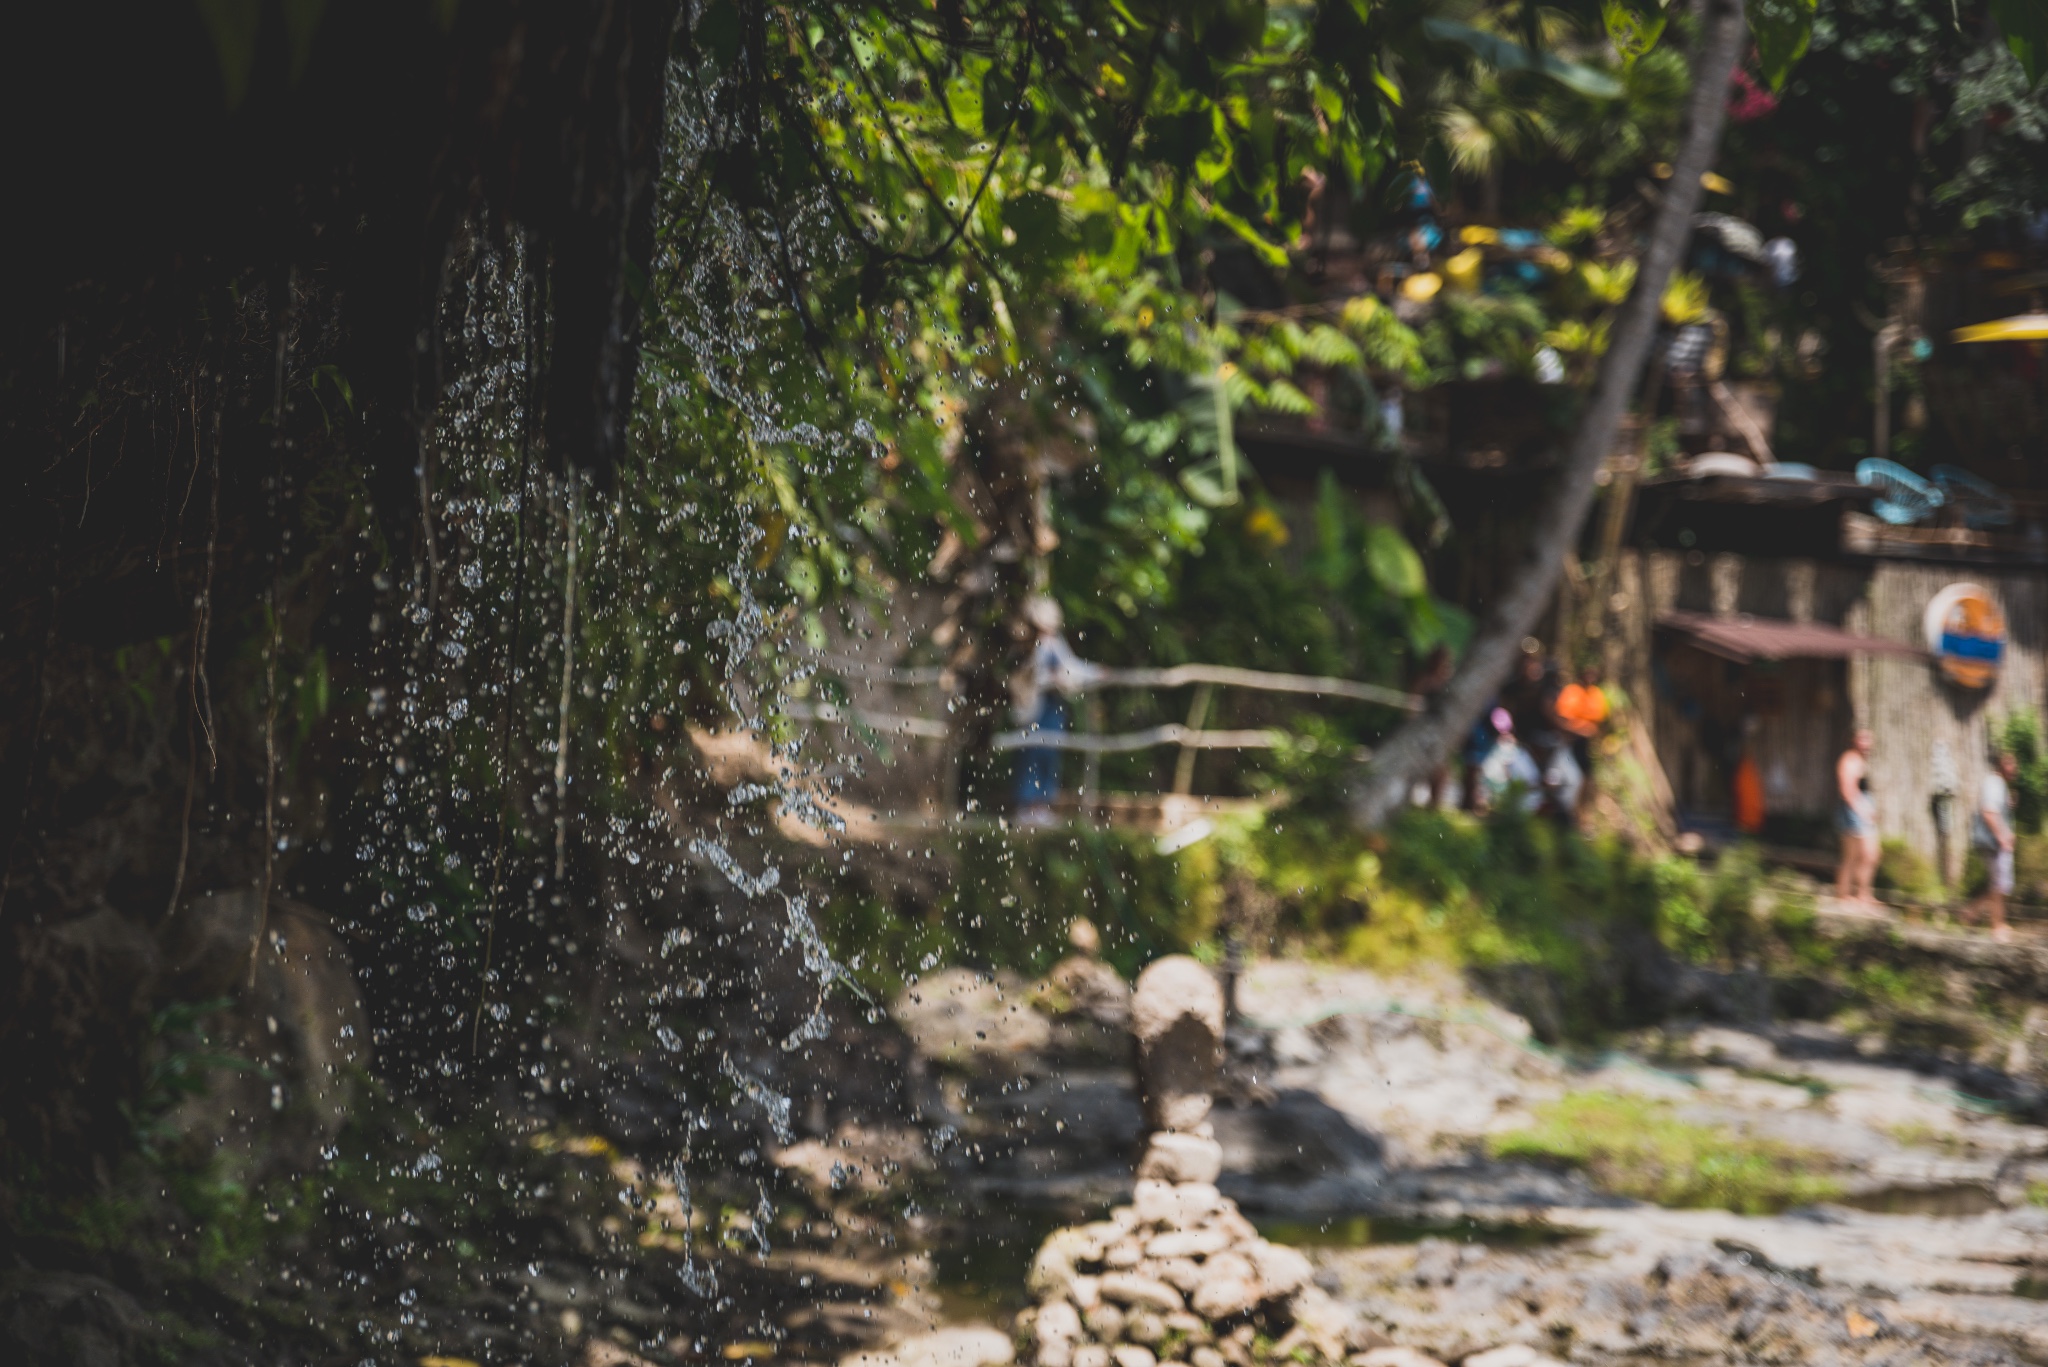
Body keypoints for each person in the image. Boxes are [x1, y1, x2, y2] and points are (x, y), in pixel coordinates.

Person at [1010, 596, 1100, 827]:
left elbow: (1071, 667)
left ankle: (1042, 804)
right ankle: (1027, 805)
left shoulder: (1055, 643)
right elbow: (1025, 675)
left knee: (1049, 754)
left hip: (1053, 707)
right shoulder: (1025, 643)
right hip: (1033, 708)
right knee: (1031, 754)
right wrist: (1052, 678)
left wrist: (1095, 672)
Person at [1968, 749, 2018, 943]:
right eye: (2009, 763)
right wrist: (2002, 838)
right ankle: (1997, 927)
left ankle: (1971, 912)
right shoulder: (1994, 783)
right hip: (1993, 843)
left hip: (1995, 842)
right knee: (1999, 885)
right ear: (1999, 765)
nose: (2014, 768)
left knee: (2000, 885)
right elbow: (1989, 813)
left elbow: (1997, 812)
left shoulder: (1999, 785)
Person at [1554, 664, 1611, 820]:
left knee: (1587, 777)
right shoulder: (1571, 692)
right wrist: (1580, 730)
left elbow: (1602, 721)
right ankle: (1565, 812)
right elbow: (1561, 720)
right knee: (1570, 777)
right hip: (1570, 742)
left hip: (1587, 745)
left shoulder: (1597, 695)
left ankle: (1581, 814)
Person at [1834, 728, 1879, 909]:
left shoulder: (1861, 761)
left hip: (1860, 810)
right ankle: (1846, 895)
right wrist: (1862, 811)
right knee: (1863, 854)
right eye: (1863, 739)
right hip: (1853, 812)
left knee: (1864, 856)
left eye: (1869, 739)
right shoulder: (1850, 760)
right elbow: (1847, 790)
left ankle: (1862, 894)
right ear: (1854, 740)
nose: (1866, 743)